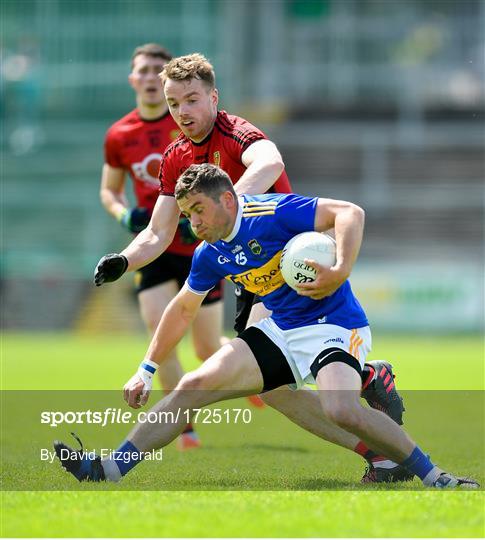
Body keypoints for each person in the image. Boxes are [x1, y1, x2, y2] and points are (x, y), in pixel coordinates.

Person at [55, 164, 478, 489]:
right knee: (190, 387)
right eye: (186, 214)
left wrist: (339, 269)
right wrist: (146, 369)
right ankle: (106, 470)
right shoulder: (209, 252)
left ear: (227, 199)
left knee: (340, 408)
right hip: (279, 330)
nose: (193, 223)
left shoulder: (274, 213)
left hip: (334, 324)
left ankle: (435, 476)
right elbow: (182, 309)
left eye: (198, 210)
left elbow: (350, 212)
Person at [94, 52, 407, 481]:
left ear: (213, 97)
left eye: (191, 100)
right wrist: (124, 260)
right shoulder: (175, 157)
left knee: (274, 381)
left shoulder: (237, 131)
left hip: (286, 264)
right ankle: (377, 431)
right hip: (251, 273)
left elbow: (270, 162)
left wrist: (229, 215)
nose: (182, 112)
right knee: (277, 391)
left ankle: (377, 427)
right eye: (174, 103)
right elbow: (158, 232)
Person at [99, 43, 224, 450]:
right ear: (133, 79)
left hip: (198, 248)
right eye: (143, 70)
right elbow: (109, 191)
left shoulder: (190, 125)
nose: (151, 77)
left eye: (158, 69)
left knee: (207, 346)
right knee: (160, 328)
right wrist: (124, 217)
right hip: (154, 244)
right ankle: (184, 425)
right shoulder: (120, 134)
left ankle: (243, 362)